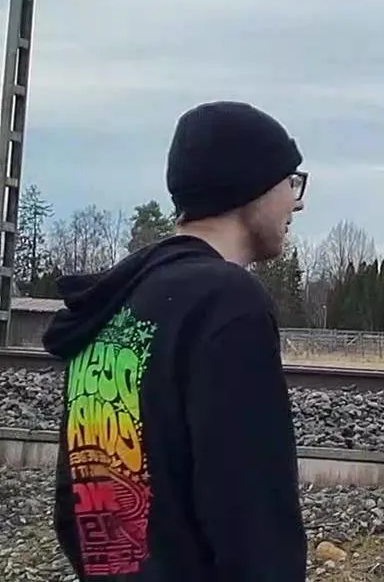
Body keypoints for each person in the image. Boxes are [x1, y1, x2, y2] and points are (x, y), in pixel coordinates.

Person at [42, 100, 310, 581]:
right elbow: (253, 519)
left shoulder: (116, 303)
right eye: (290, 181)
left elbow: (76, 505)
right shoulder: (228, 302)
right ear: (250, 186)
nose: (298, 200)